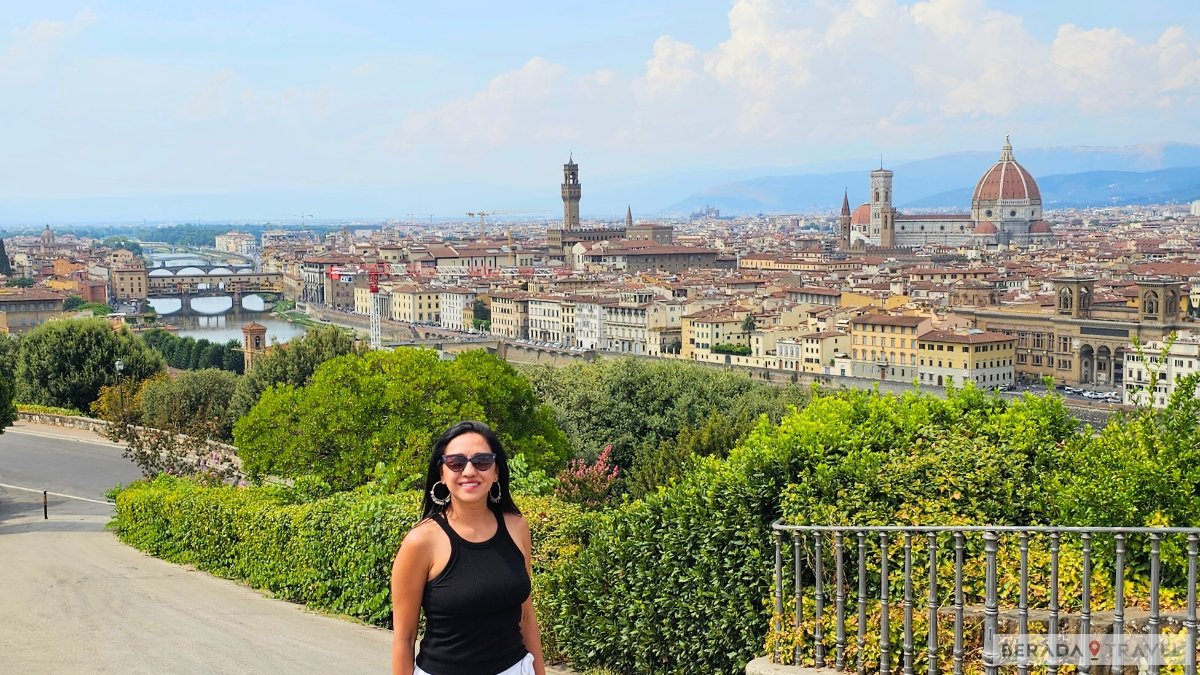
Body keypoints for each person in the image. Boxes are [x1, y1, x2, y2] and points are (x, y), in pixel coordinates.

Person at [391, 420, 546, 675]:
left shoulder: (517, 527)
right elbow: (403, 640)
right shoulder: (421, 541)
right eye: (456, 462)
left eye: (482, 461)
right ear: (442, 472)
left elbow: (526, 616)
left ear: (496, 471)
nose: (469, 471)